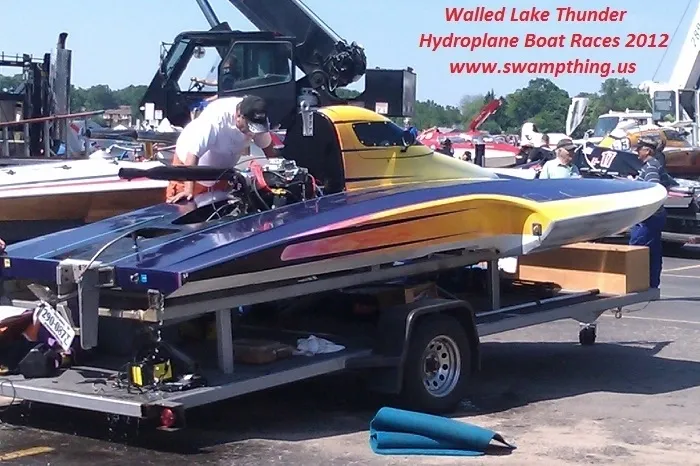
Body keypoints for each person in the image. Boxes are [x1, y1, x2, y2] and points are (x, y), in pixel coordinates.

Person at [166, 95, 280, 204]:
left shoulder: (257, 114)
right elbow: (192, 154)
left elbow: (268, 147)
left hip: (221, 174)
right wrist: (188, 190)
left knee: (222, 211)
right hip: (189, 172)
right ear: (239, 116)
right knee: (187, 210)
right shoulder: (215, 119)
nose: (251, 133)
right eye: (248, 128)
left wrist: (280, 171)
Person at [628, 137, 672, 289]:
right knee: (653, 250)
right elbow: (668, 183)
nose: (637, 152)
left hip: (648, 217)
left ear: (647, 151)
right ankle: (652, 284)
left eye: (639, 149)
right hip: (655, 215)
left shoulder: (651, 168)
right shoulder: (655, 165)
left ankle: (635, 284)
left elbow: (654, 188)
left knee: (637, 250)